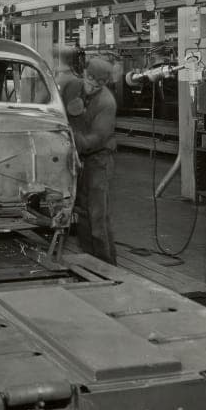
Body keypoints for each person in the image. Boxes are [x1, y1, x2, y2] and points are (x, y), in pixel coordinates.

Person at [67, 55, 118, 264]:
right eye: (89, 79)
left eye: (98, 83)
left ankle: (107, 264)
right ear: (84, 74)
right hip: (79, 158)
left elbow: (95, 140)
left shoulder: (107, 102)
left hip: (98, 160)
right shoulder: (72, 87)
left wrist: (69, 134)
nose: (91, 86)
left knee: (97, 215)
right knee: (82, 212)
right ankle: (90, 261)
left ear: (104, 83)